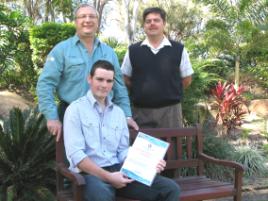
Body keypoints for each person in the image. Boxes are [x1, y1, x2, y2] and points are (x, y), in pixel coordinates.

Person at [64, 60, 180, 201]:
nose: (104, 85)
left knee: (169, 189)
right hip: (88, 174)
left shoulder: (118, 113)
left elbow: (123, 151)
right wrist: (109, 177)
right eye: (99, 79)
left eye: (109, 81)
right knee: (102, 196)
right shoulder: (75, 110)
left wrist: (149, 163)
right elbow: (77, 156)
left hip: (119, 170)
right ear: (90, 79)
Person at [36, 4, 138, 142]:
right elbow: (45, 84)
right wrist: (52, 117)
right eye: (83, 16)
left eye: (92, 16)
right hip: (71, 115)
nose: (87, 20)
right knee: (73, 161)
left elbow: (119, 86)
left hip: (105, 115)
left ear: (98, 21)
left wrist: (126, 115)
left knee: (106, 159)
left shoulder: (109, 52)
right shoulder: (61, 50)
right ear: (76, 21)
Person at [121, 7, 194, 128]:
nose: (152, 23)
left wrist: (169, 91)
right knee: (140, 147)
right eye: (148, 21)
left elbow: (187, 79)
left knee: (172, 147)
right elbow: (125, 78)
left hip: (171, 112)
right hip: (141, 112)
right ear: (144, 25)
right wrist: (141, 91)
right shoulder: (133, 50)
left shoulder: (179, 49)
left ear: (164, 23)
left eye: (156, 20)